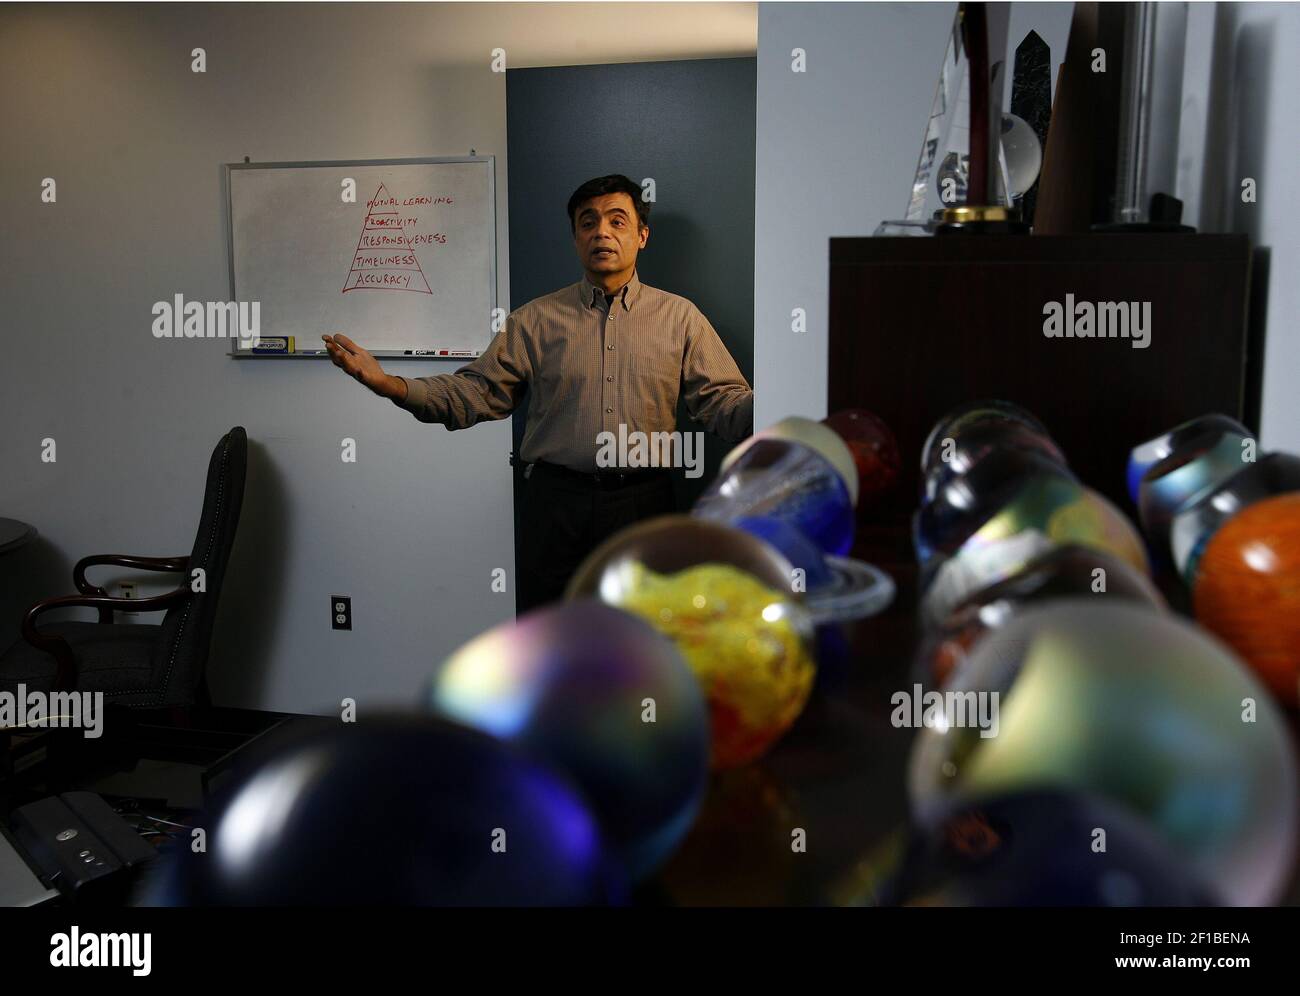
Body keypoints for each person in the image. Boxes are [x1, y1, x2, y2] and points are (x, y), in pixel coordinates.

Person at [324, 174, 753, 612]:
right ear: (575, 237)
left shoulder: (681, 318)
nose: (601, 232)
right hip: (554, 508)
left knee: (645, 646)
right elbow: (478, 392)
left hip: (643, 505)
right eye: (588, 223)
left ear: (642, 236)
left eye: (617, 221)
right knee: (550, 645)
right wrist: (390, 384)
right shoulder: (533, 321)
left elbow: (722, 401)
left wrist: (784, 399)